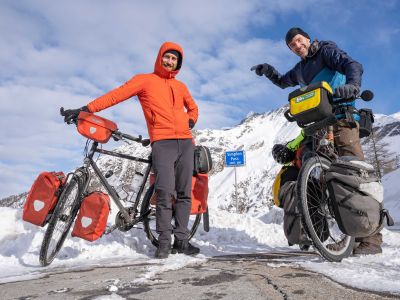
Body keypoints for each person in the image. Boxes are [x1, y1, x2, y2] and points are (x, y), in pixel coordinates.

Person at [62, 42, 200, 259]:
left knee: (184, 194)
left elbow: (193, 107)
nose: (170, 62)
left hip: (185, 142)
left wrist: (189, 121)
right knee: (164, 192)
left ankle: (182, 240)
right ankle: (164, 242)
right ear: (160, 57)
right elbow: (116, 95)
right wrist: (85, 110)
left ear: (178, 63)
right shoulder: (144, 80)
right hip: (162, 142)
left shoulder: (181, 86)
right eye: (167, 57)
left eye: (174, 59)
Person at [252, 27, 382, 255]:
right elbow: (284, 81)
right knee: (325, 181)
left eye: (299, 41)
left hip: (342, 118)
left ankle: (370, 240)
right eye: (292, 45)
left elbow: (353, 65)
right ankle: (343, 237)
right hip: (319, 125)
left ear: (308, 39)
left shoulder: (326, 51)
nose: (297, 46)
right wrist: (269, 71)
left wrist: (352, 85)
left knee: (355, 175)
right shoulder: (301, 69)